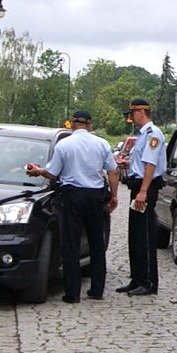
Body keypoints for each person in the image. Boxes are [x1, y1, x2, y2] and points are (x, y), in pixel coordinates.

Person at [26, 110, 120, 303]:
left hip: (73, 196)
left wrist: (37, 171)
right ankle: (97, 289)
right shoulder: (101, 143)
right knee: (96, 242)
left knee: (71, 243)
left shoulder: (65, 144)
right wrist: (114, 196)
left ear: (72, 124)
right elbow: (113, 171)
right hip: (95, 197)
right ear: (90, 125)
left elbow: (52, 173)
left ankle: (72, 293)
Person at [115, 98, 166, 296]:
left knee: (144, 234)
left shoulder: (153, 134)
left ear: (141, 112)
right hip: (138, 186)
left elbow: (150, 165)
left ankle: (148, 282)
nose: (130, 117)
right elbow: (141, 165)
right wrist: (127, 165)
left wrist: (143, 192)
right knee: (135, 234)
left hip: (146, 188)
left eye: (132, 113)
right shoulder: (142, 135)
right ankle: (136, 278)